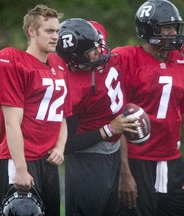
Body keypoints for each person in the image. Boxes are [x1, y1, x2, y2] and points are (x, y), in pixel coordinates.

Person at [112, 0, 184, 215]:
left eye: (175, 27)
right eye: (167, 27)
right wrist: (123, 172)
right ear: (148, 29)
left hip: (173, 163)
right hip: (137, 162)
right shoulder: (125, 58)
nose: (174, 33)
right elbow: (119, 121)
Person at [0, 5, 72, 216]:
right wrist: (20, 168)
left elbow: (61, 115)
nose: (56, 37)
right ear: (32, 31)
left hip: (47, 161)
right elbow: (11, 123)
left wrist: (60, 147)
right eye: (49, 31)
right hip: (21, 158)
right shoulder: (13, 60)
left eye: (57, 31)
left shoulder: (59, 65)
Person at [56, 18, 140, 216]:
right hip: (89, 159)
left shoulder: (92, 37)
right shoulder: (73, 88)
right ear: (75, 59)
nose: (99, 52)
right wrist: (109, 129)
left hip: (113, 151)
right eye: (91, 51)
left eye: (97, 45)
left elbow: (85, 30)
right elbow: (66, 144)